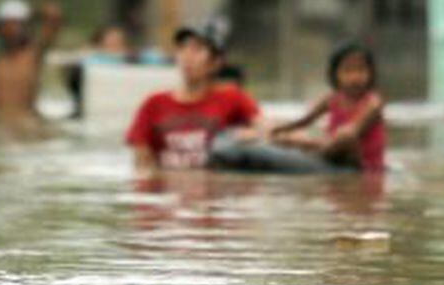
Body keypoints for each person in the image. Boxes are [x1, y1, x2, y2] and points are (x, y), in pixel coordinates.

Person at [125, 19, 261, 172]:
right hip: (169, 190)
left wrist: (254, 134)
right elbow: (142, 165)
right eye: (182, 48)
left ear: (216, 62)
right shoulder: (154, 103)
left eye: (197, 49)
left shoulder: (233, 97)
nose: (188, 56)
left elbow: (262, 126)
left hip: (216, 188)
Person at [269, 41, 386, 173]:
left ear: (371, 73)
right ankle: (313, 151)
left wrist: (317, 145)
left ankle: (314, 155)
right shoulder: (332, 99)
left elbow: (352, 132)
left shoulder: (373, 102)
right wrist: (278, 129)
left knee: (345, 136)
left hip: (358, 160)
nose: (355, 77)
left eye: (361, 70)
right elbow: (305, 120)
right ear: (335, 74)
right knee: (288, 138)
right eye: (348, 71)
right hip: (333, 150)